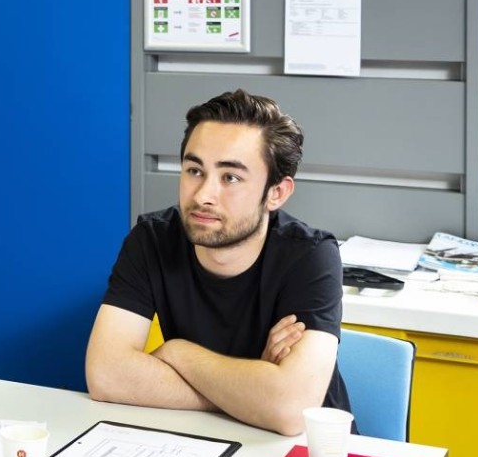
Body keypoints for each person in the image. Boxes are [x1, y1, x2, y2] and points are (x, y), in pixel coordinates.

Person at [84, 89, 348, 436]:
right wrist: (252, 391)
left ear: (277, 193)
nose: (203, 195)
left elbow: (289, 410)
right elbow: (106, 375)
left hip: (309, 455)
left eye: (231, 177)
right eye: (194, 170)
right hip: (206, 439)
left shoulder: (310, 255)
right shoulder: (152, 239)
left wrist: (178, 353)